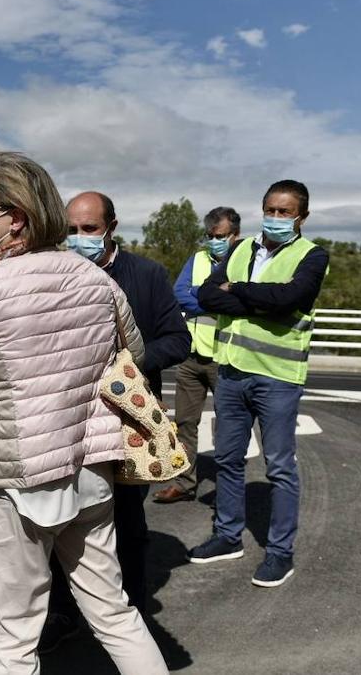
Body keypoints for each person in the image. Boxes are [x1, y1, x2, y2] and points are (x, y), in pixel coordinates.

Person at [0, 152, 169, 675]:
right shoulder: (96, 280)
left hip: (17, 483)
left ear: (14, 217)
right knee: (114, 612)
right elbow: (130, 350)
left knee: (14, 637)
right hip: (92, 471)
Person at [39, 191, 189, 650]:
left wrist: (129, 366)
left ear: (111, 226)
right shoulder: (53, 274)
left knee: (126, 523)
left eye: (88, 229)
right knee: (58, 517)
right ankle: (61, 611)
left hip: (128, 424)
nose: (79, 238)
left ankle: (134, 617)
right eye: (70, 230)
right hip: (67, 422)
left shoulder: (145, 275)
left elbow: (177, 339)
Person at [186, 180, 328, 589]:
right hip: (230, 371)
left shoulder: (312, 256)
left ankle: (280, 553)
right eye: (271, 209)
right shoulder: (241, 248)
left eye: (285, 212)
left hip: (277, 377)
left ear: (302, 216)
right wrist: (257, 298)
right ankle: (228, 536)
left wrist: (241, 292)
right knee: (228, 459)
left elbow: (291, 299)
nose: (276, 217)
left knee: (279, 467)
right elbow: (208, 295)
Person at [155, 206, 242, 505]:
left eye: (220, 236)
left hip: (225, 357)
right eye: (209, 235)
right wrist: (217, 298)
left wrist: (201, 297)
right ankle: (183, 483)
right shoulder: (198, 259)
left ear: (235, 235)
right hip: (192, 356)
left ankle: (228, 492)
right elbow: (179, 294)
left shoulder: (244, 260)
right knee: (185, 423)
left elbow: (243, 299)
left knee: (229, 425)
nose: (213, 240)